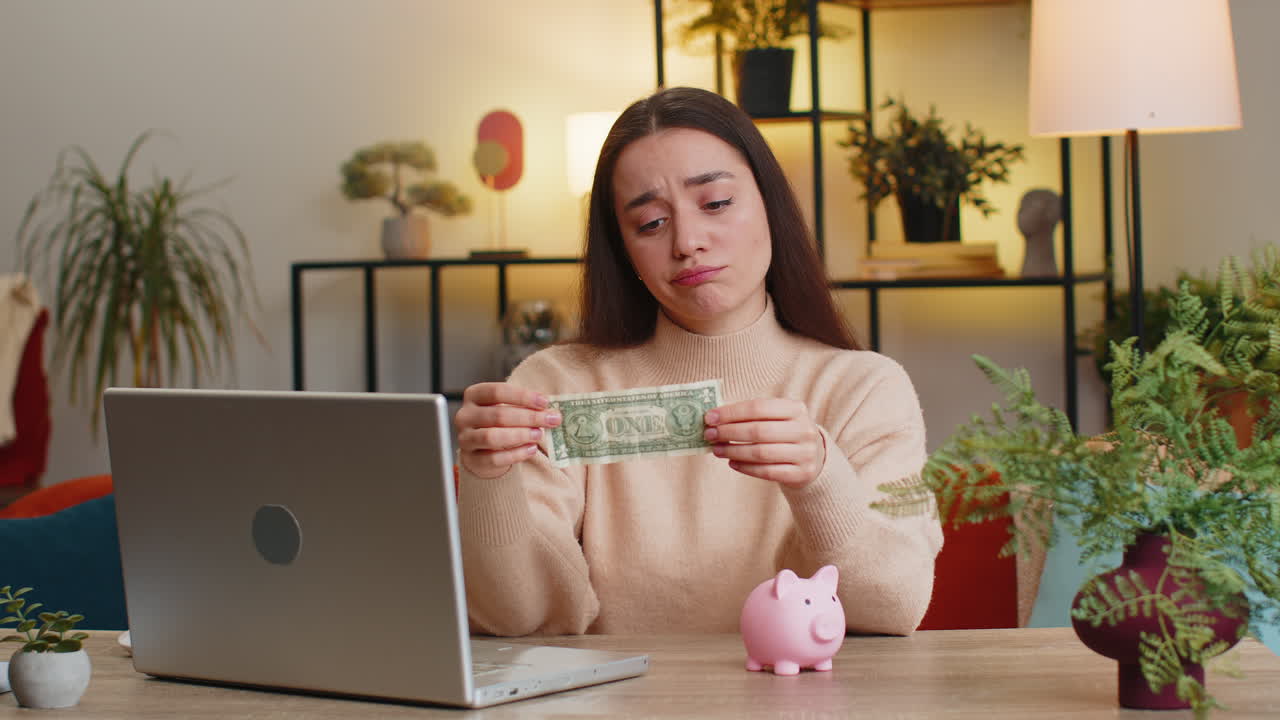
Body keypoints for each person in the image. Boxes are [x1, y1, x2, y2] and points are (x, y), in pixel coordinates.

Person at [454, 86, 942, 637]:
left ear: (771, 206)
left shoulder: (863, 389)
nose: (687, 241)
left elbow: (894, 609)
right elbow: (514, 619)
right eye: (650, 224)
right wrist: (485, 480)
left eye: (715, 204)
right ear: (623, 250)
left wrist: (820, 478)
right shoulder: (556, 384)